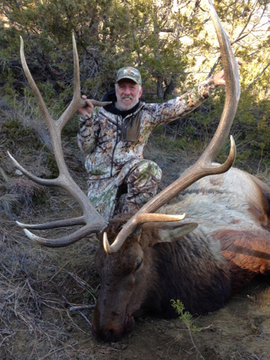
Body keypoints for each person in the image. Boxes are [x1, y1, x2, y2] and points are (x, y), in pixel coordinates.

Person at [78, 66, 226, 221]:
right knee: (100, 228)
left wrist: (211, 83)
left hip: (131, 173)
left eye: (132, 87)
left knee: (149, 170)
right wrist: (85, 120)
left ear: (139, 92)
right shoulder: (98, 113)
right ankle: (114, 213)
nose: (127, 92)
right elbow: (85, 147)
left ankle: (129, 220)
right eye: (123, 87)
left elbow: (179, 105)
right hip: (101, 182)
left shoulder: (148, 113)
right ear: (116, 90)